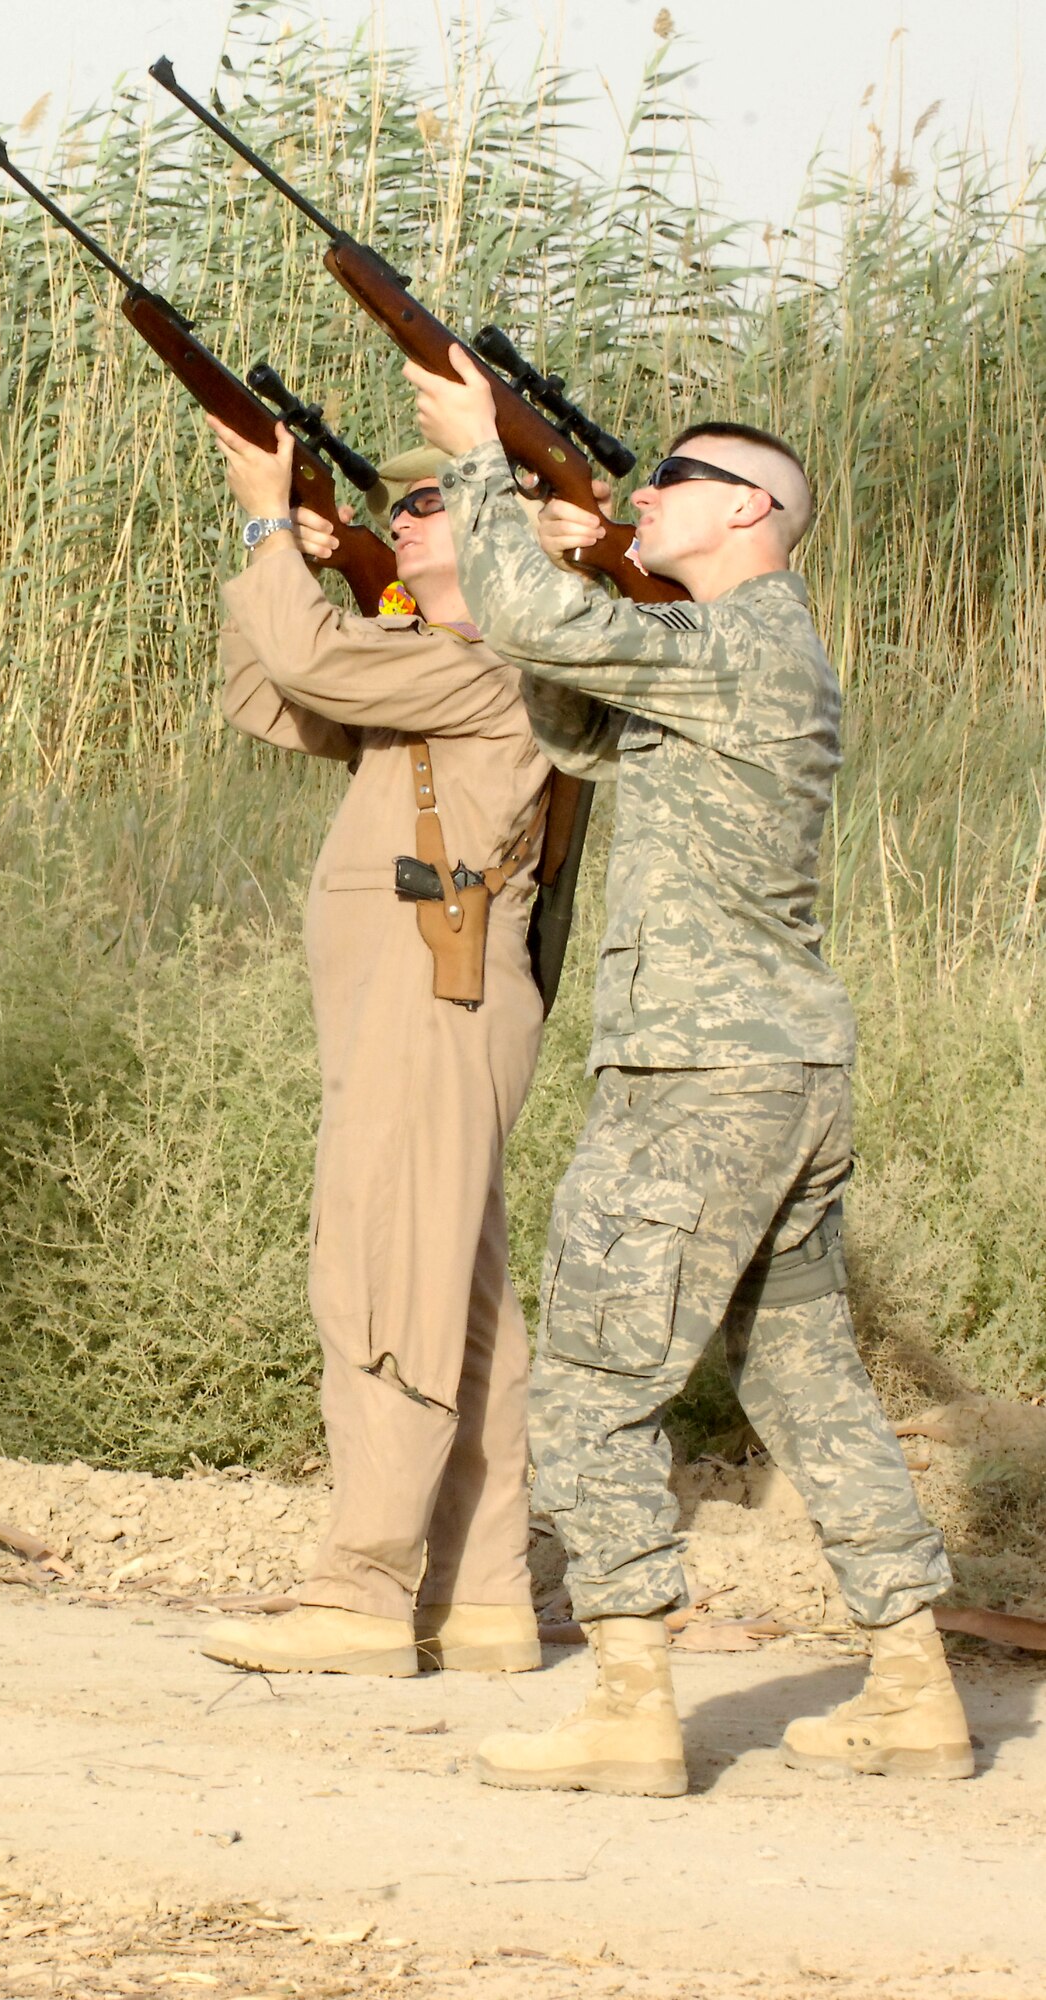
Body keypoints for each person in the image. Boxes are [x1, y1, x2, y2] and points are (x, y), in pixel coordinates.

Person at [401, 346, 972, 1792]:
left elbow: (534, 622)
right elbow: (573, 711)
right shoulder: (735, 658)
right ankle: (911, 1685)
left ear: (749, 515)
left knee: (593, 1379)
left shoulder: (736, 644)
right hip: (772, 1070)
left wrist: (477, 457)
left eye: (674, 479)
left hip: (697, 1080)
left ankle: (629, 1708)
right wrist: (571, 564)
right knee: (801, 1376)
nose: (646, 493)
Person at [196, 413, 552, 1678]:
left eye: (426, 506)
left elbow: (312, 663)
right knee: (458, 1295)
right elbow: (270, 691)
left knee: (380, 1271)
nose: (399, 520)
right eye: (392, 510)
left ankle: (360, 1588)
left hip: (427, 990)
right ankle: (483, 1591)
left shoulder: (495, 658)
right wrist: (289, 561)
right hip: (410, 995)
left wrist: (261, 524)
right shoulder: (427, 654)